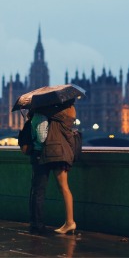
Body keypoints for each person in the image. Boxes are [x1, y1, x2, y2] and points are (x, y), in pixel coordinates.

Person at [29, 99, 77, 235]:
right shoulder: (68, 113)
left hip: (56, 153)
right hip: (65, 152)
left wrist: (35, 111)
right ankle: (69, 222)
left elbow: (42, 137)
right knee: (64, 188)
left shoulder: (56, 114)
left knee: (58, 188)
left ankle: (69, 222)